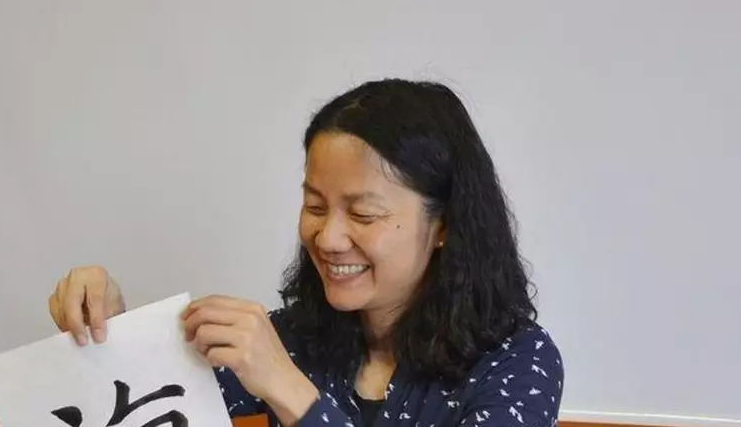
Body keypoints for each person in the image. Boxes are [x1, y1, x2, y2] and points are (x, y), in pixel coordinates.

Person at [48, 79, 564, 426]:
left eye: (363, 214)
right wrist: (112, 327)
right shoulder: (297, 337)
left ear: (444, 224)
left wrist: (290, 391)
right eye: (315, 206)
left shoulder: (517, 361)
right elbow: (141, 401)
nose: (328, 238)